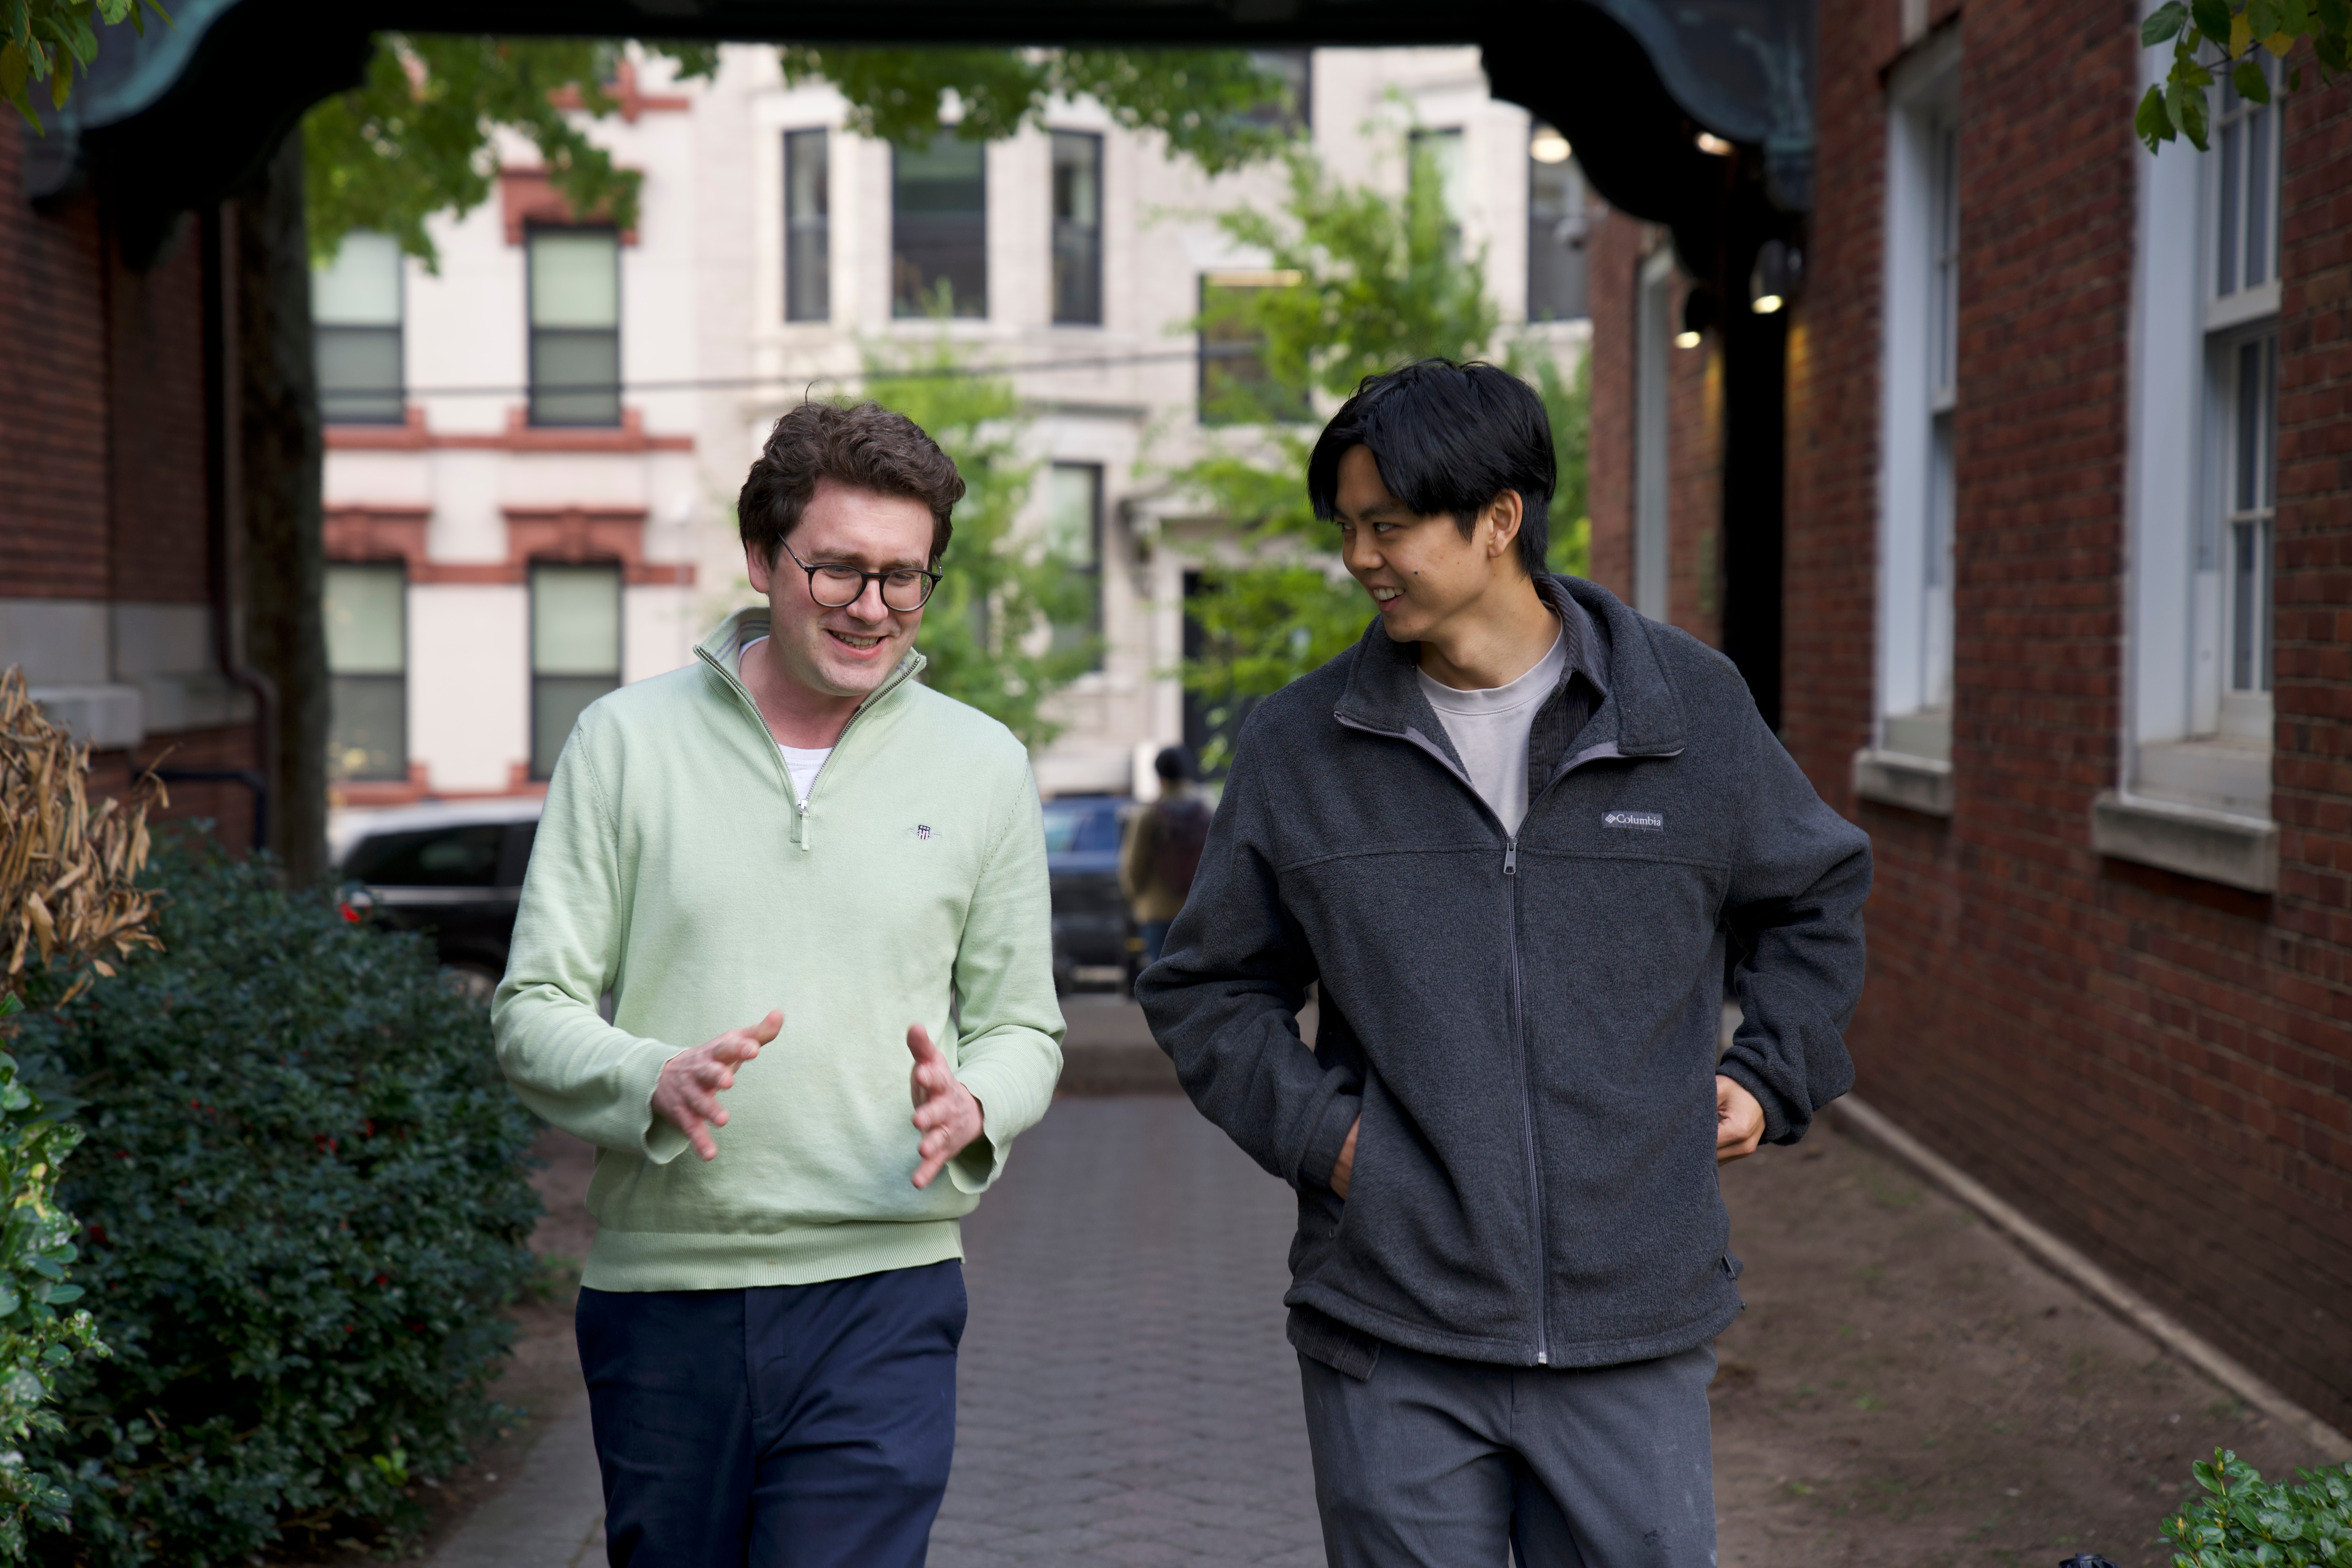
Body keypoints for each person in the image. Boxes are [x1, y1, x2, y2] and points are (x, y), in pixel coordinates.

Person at [1136, 359, 1870, 1568]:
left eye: (1389, 525)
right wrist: (1336, 1144)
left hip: (1634, 1327)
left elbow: (1813, 897)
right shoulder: (1302, 743)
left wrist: (1771, 1069)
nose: (1360, 557)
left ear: (1497, 520)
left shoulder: (1686, 709)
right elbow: (1210, 984)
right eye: (1347, 529)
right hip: (1391, 1326)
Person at [493, 401, 1064, 1568]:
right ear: (761, 561)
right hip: (664, 1301)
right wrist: (653, 1074)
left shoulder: (984, 766)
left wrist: (980, 1102)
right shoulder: (621, 744)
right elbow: (530, 1012)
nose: (873, 608)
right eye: (840, 569)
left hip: (885, 1288)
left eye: (905, 579)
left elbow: (1021, 1026)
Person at [1119, 744, 1211, 969]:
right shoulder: (1207, 812)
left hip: (1156, 910)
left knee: (1161, 979)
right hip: (1196, 910)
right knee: (1194, 980)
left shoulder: (1148, 815)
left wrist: (1136, 897)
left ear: (1159, 776)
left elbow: (1133, 866)